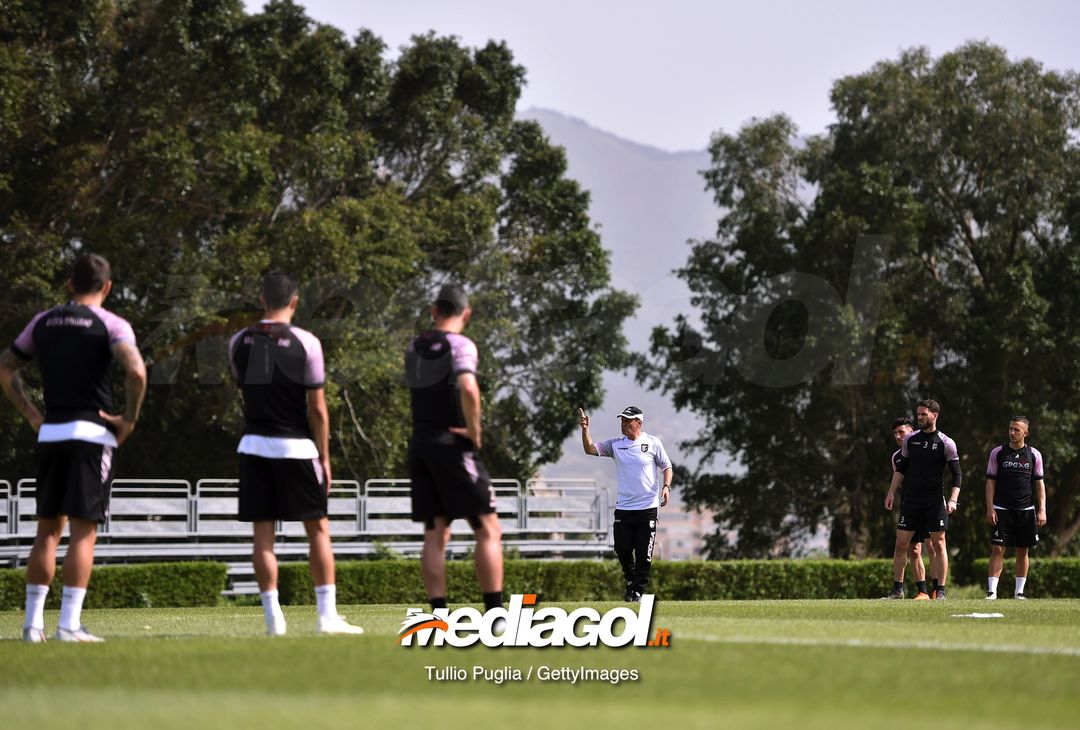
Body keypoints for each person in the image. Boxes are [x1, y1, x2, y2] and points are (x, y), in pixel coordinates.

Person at [0, 253, 146, 642]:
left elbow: (6, 366)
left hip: (52, 435)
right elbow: (136, 370)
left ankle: (32, 627)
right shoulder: (111, 323)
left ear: (69, 284)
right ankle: (68, 625)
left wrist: (32, 415)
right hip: (91, 436)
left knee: (47, 532)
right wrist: (128, 419)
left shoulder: (42, 322)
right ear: (108, 287)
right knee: (83, 532)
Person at [228, 271, 363, 636]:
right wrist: (325, 457)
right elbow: (318, 409)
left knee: (263, 536)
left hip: (254, 445)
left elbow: (246, 387)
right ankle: (326, 617)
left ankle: (274, 620)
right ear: (295, 301)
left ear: (261, 300)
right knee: (318, 530)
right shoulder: (308, 342)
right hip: (298, 448)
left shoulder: (238, 341)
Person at [405, 283, 503, 612]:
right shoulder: (461, 345)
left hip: (420, 445)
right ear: (467, 314)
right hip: (453, 446)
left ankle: (439, 614)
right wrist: (474, 431)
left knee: (435, 533)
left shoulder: (413, 347)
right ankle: (494, 614)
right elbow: (469, 389)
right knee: (488, 528)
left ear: (434, 312)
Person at [580, 405, 673, 601]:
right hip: (624, 508)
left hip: (647, 508)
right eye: (622, 420)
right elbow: (590, 449)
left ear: (639, 423)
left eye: (627, 421)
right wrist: (585, 430)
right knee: (622, 549)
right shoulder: (616, 445)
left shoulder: (653, 443)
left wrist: (666, 487)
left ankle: (638, 590)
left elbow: (667, 466)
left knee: (643, 553)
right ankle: (631, 581)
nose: (623, 424)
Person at [884, 399, 962, 600]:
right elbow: (901, 469)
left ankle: (941, 591)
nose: (919, 417)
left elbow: (957, 475)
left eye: (923, 414)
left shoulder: (946, 442)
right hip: (911, 501)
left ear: (935, 416)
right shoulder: (910, 440)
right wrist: (891, 492)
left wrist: (953, 500)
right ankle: (897, 590)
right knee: (901, 544)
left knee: (938, 544)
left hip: (934, 501)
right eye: (918, 414)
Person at [984, 417, 1047, 599]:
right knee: (997, 549)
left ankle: (1019, 592)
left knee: (1023, 550)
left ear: (1025, 433)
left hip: (1026, 510)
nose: (1012, 432)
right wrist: (990, 508)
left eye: (1016, 430)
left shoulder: (1034, 454)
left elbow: (1039, 484)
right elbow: (990, 482)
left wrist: (1042, 509)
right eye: (1010, 429)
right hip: (1001, 509)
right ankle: (992, 592)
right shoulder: (997, 452)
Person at [888, 416, 937, 600]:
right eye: (895, 433)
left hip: (930, 503)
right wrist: (892, 494)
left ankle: (937, 590)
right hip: (910, 504)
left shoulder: (922, 447)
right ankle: (918, 591)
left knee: (932, 546)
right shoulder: (896, 457)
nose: (898, 436)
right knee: (911, 548)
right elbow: (899, 478)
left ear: (912, 432)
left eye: (902, 432)